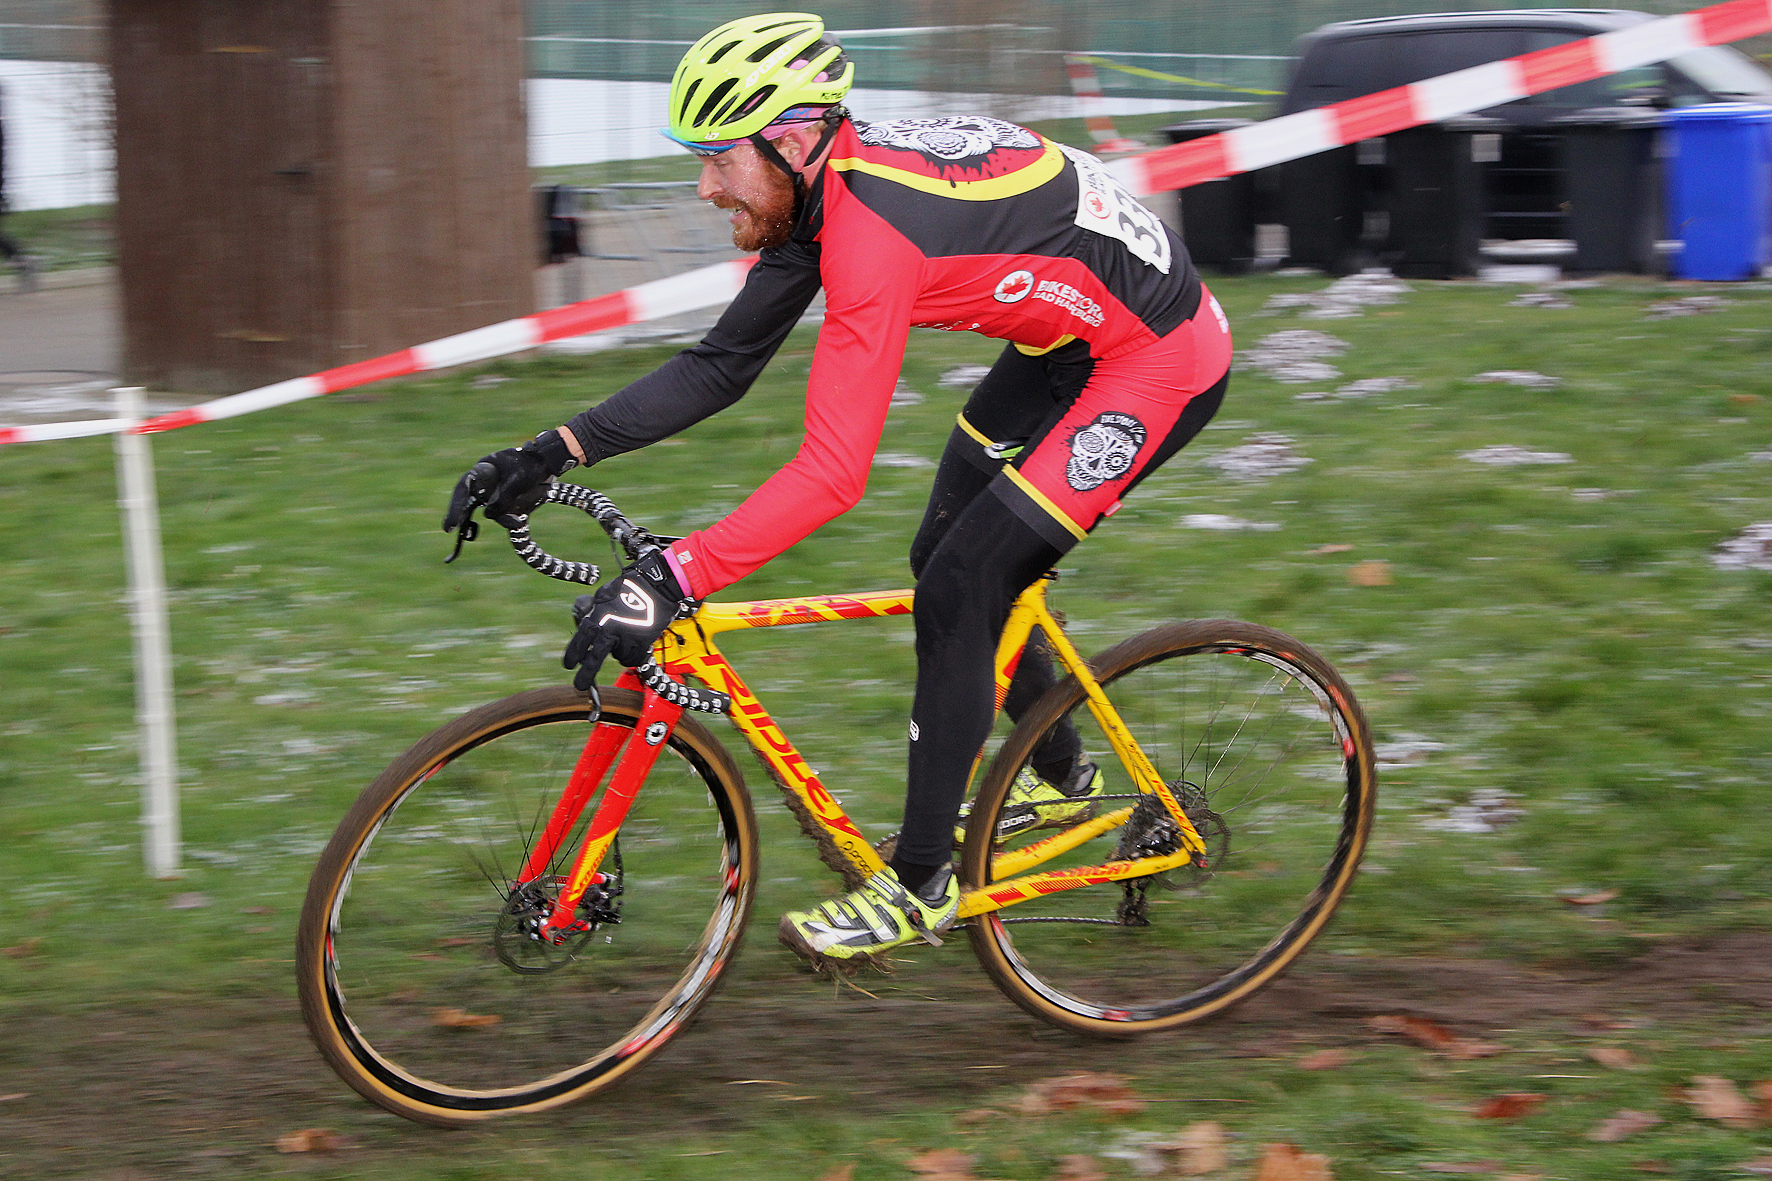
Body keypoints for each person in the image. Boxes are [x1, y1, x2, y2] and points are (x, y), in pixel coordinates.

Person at [444, 12, 1232, 967]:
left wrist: (676, 576)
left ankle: (919, 888)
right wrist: (551, 450)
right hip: (1064, 338)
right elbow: (722, 364)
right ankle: (1062, 771)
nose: (705, 185)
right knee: (939, 553)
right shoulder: (814, 198)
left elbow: (832, 473)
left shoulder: (872, 238)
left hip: (1155, 361)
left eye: (719, 159)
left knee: (961, 584)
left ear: (793, 139)